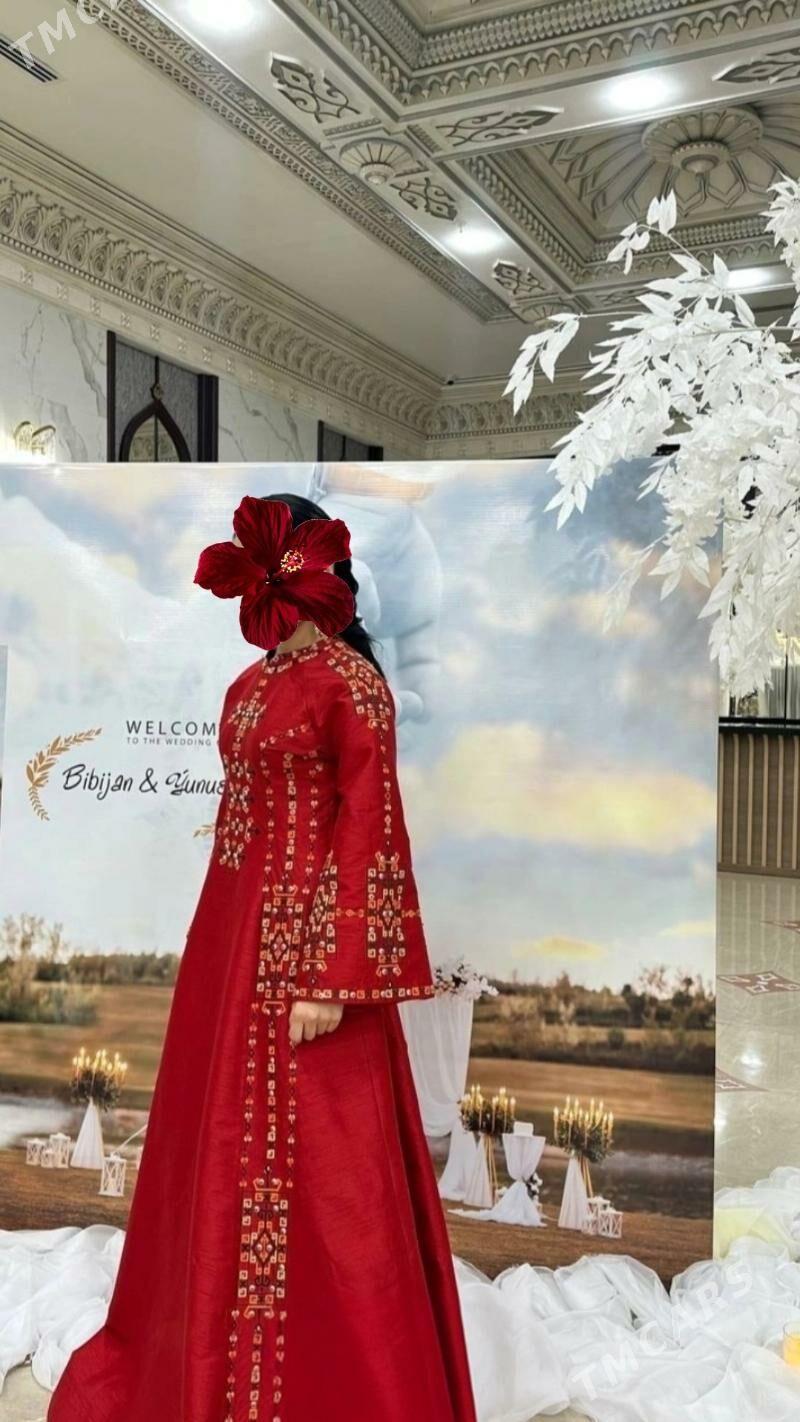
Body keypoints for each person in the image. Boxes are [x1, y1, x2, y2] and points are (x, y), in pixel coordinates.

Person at [48, 493, 477, 1422]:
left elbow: (370, 831)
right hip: (232, 948)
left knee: (330, 1170)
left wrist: (331, 976)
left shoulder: (353, 686)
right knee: (218, 1151)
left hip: (309, 967)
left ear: (315, 574)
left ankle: (336, 1384)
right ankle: (201, 1352)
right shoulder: (251, 684)